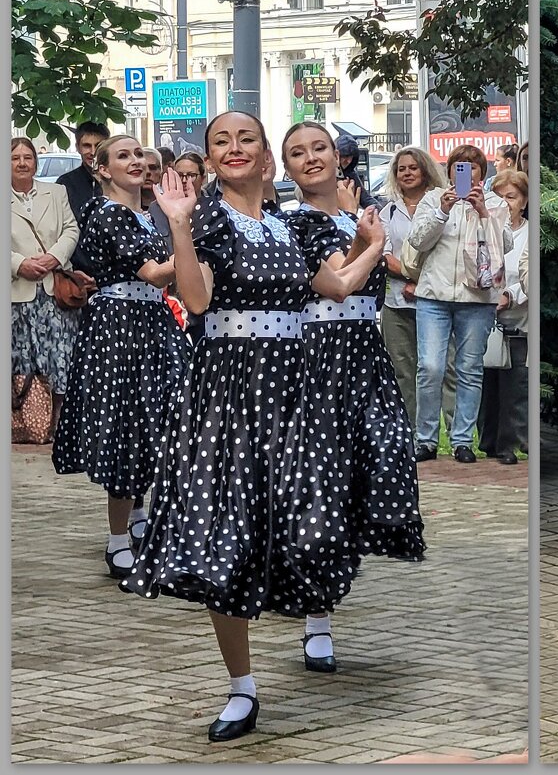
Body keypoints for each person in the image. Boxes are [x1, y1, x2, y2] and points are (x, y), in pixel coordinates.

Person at [122, 111, 385, 742]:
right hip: (231, 395)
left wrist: (372, 245)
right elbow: (197, 299)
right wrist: (179, 225)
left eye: (246, 138)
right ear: (211, 159)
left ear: (265, 155)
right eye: (222, 141)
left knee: (313, 522)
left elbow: (337, 286)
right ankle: (242, 688)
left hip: (296, 390)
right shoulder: (207, 219)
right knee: (226, 539)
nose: (234, 148)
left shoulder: (289, 224)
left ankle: (315, 623)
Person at [281, 120, 426, 672]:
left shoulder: (354, 216)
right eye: (298, 152)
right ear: (286, 166)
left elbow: (384, 278)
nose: (311, 158)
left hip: (364, 354)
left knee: (379, 462)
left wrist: (368, 234)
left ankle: (333, 574)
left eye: (319, 147)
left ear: (338, 157)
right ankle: (317, 620)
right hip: (318, 357)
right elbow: (339, 278)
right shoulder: (290, 223)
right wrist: (374, 243)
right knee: (320, 486)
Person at [51, 135, 190, 578]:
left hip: (149, 322)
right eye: (124, 155)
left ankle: (139, 518)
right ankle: (117, 541)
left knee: (154, 420)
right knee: (129, 424)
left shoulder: (141, 214)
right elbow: (154, 274)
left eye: (140, 154)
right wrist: (194, 242)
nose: (137, 160)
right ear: (103, 169)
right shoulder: (110, 213)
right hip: (122, 328)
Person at [406, 144, 511, 464]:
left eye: (472, 167)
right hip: (433, 295)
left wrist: (483, 213)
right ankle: (425, 439)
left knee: (469, 369)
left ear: (482, 172)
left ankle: (462, 440)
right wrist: (442, 210)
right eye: (458, 166)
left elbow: (505, 244)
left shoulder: (495, 202)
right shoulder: (433, 199)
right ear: (449, 170)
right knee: (430, 367)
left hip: (477, 298)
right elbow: (417, 240)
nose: (464, 172)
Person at [10, 137, 84, 440]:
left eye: (27, 157)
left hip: (55, 291)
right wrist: (18, 264)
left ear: (36, 162)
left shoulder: (55, 192)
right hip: (17, 291)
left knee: (60, 356)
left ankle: (60, 423)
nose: (22, 163)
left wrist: (54, 256)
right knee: (22, 359)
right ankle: (27, 423)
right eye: (15, 158)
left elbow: (71, 228)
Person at [379, 145, 451, 423]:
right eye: (401, 169)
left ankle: (447, 432)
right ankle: (407, 429)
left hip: (437, 302)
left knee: (437, 369)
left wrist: (422, 285)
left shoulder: (442, 205)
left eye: (413, 167)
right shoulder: (388, 211)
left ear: (425, 170)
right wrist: (413, 279)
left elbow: (447, 253)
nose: (407, 173)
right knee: (402, 370)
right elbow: (384, 256)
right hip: (396, 303)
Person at [479, 169, 529, 465]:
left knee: (515, 385)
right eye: (498, 197)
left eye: (511, 197)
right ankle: (488, 441)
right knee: (487, 385)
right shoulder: (484, 230)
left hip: (517, 319)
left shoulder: (529, 233)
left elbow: (528, 273)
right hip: (486, 316)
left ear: (524, 201)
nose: (505, 203)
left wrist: (510, 294)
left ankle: (510, 443)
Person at [56, 121, 110, 228]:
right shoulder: (65, 183)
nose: (93, 152)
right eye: (87, 146)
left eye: (98, 145)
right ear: (78, 147)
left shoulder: (118, 179)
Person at [335, 133, 379, 210]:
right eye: (345, 156)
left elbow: (365, 199)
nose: (348, 161)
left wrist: (381, 210)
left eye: (351, 157)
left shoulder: (350, 174)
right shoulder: (326, 172)